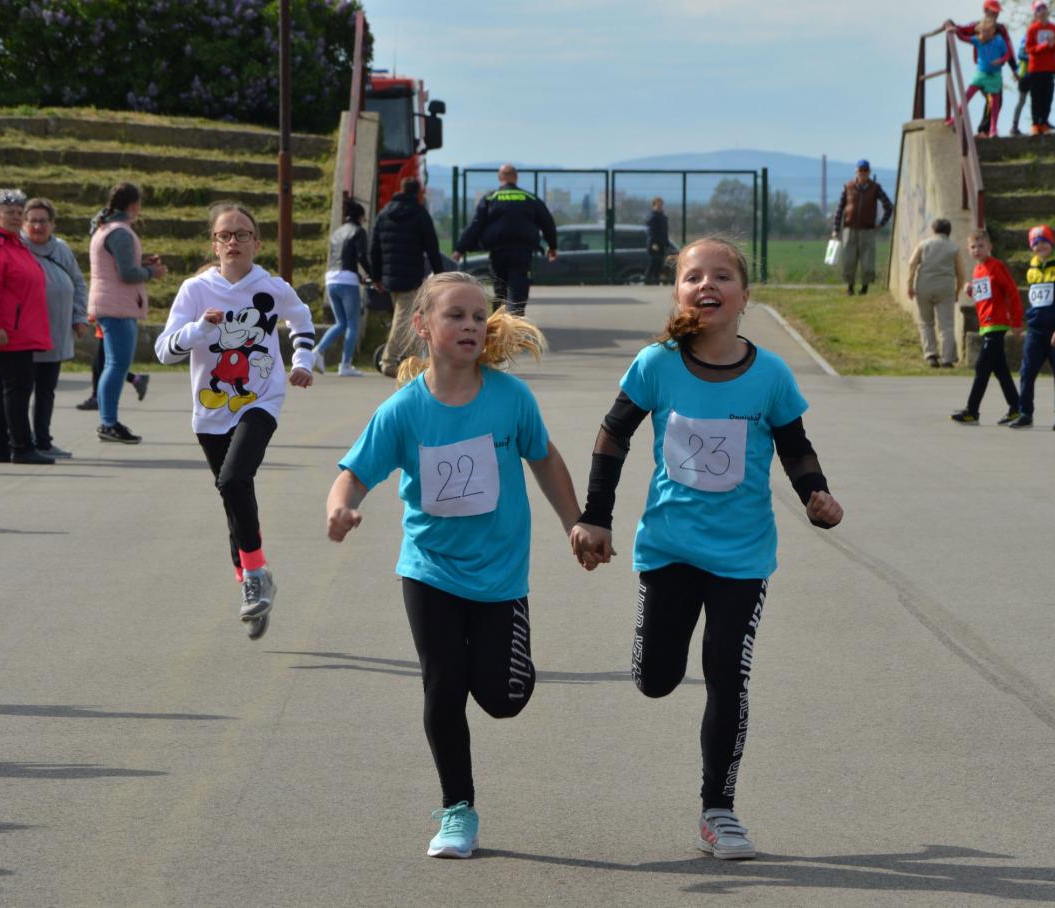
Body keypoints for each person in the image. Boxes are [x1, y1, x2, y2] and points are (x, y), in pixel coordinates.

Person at [570, 238, 844, 860]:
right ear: (677, 293)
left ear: (745, 296)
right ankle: (654, 658)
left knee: (727, 675)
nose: (707, 285)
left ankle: (718, 811)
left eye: (722, 276)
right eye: (693, 276)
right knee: (656, 681)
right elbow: (612, 436)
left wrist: (816, 495)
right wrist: (597, 517)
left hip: (743, 556)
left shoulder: (770, 375)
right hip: (669, 549)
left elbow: (796, 447)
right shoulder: (656, 365)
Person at [326, 271, 582, 859]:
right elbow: (354, 474)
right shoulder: (404, 410)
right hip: (430, 568)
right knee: (443, 685)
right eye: (456, 315)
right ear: (421, 325)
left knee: (502, 697)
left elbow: (545, 459)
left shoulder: (510, 399)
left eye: (478, 317)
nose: (470, 325)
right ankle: (457, 809)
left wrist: (576, 522)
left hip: (499, 574)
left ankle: (495, 665)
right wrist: (340, 507)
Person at [155, 202, 316, 640]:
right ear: (214, 244)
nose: (233, 242)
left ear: (256, 243)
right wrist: (199, 330)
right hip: (210, 410)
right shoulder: (195, 291)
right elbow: (164, 350)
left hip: (260, 400)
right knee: (233, 495)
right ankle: (250, 583)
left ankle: (256, 573)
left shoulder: (272, 287)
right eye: (224, 235)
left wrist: (302, 359)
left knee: (233, 480)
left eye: (242, 234)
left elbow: (301, 320)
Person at [0, 188, 54, 464]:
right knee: (18, 388)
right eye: (10, 212)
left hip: (20, 328)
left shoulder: (13, 243)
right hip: (7, 330)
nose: (16, 217)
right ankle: (22, 447)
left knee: (4, 389)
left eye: (19, 212)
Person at [88, 181, 168, 444]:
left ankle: (108, 421)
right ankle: (108, 422)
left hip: (112, 303)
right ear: (134, 205)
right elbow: (127, 273)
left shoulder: (108, 228)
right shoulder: (120, 232)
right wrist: (151, 272)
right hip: (117, 306)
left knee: (113, 365)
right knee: (117, 365)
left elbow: (119, 266)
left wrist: (142, 264)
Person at [22, 198, 89, 459]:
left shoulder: (61, 249)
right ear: (24, 224)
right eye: (32, 221)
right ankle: (19, 441)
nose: (37, 226)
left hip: (56, 333)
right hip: (24, 335)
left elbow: (78, 283)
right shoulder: (17, 248)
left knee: (46, 391)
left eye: (43, 221)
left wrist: (79, 316)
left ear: (52, 224)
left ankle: (43, 441)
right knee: (20, 392)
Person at [451, 164, 558, 318]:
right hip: (522, 251)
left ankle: (499, 321)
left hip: (498, 251)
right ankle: (516, 319)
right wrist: (552, 247)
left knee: (500, 288)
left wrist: (460, 249)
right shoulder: (530, 198)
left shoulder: (490, 198)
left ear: (500, 178)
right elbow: (548, 223)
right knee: (518, 287)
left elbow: (475, 225)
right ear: (516, 177)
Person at [369, 178, 445, 378]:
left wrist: (376, 276)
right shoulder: (419, 214)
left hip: (389, 278)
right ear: (418, 193)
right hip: (411, 277)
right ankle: (389, 361)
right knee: (403, 321)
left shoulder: (384, 213)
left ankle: (411, 361)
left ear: (400, 190)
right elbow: (432, 247)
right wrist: (440, 275)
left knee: (409, 319)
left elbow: (374, 248)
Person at [951, 228, 1022, 425]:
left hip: (996, 324)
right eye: (973, 247)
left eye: (981, 246)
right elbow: (986, 296)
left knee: (982, 367)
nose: (977, 250)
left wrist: (1016, 321)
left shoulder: (996, 266)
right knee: (1000, 369)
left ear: (989, 247)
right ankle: (1017, 407)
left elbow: (1012, 292)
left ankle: (972, 411)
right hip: (986, 324)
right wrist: (971, 291)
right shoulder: (978, 270)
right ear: (968, 250)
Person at [1010, 224, 1055, 431]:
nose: (1040, 246)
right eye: (1036, 243)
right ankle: (1025, 413)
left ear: (1051, 243)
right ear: (1031, 247)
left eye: (1044, 241)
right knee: (1026, 372)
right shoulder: (1031, 270)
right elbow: (1034, 300)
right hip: (1035, 331)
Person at [316, 199, 374, 376]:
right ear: (360, 217)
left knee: (340, 323)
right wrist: (373, 275)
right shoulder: (358, 231)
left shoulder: (337, 232)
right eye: (364, 217)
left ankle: (317, 352)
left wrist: (358, 276)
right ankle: (346, 364)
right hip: (348, 281)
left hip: (331, 279)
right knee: (353, 324)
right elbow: (361, 256)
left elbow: (341, 258)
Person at [947, 1, 1019, 136]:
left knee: (996, 100)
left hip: (995, 73)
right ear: (985, 11)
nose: (996, 14)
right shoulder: (977, 26)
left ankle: (988, 130)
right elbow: (963, 31)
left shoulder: (1000, 30)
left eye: (997, 12)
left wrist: (1015, 69)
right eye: (993, 11)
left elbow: (1008, 50)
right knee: (986, 98)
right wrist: (952, 25)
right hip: (982, 72)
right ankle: (983, 130)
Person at [907, 218, 964, 367]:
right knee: (947, 325)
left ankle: (931, 355)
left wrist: (910, 285)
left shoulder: (923, 244)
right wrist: (957, 290)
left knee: (926, 322)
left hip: (924, 286)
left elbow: (912, 263)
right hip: (945, 288)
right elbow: (961, 273)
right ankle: (947, 359)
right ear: (949, 232)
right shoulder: (954, 248)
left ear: (933, 230)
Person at [831, 161, 893, 296]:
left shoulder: (876, 188)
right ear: (856, 171)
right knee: (849, 260)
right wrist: (836, 228)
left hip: (868, 230)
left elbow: (889, 206)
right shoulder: (848, 187)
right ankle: (850, 287)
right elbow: (839, 208)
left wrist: (881, 224)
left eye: (866, 170)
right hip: (849, 229)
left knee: (868, 260)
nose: (863, 173)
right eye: (861, 170)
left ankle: (865, 288)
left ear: (869, 172)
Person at [75, 326, 149, 411]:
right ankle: (96, 398)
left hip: (110, 327)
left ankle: (98, 399)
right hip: (105, 329)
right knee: (98, 365)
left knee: (104, 366)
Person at [1025, 1, 1055, 137]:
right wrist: (1045, 46)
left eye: (1044, 9)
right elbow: (1029, 49)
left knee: (1048, 97)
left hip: (1050, 68)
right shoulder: (1032, 29)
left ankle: (1044, 123)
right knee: (1036, 97)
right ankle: (1035, 124)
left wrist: (1053, 46)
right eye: (1039, 10)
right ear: (1035, 13)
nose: (1042, 12)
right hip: (1036, 68)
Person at [644, 197, 670, 285]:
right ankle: (647, 280)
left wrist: (666, 242)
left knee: (659, 263)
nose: (660, 206)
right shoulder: (652, 216)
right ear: (654, 205)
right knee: (653, 262)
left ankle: (656, 281)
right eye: (658, 204)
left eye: (661, 204)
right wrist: (653, 243)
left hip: (662, 243)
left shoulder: (662, 216)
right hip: (654, 244)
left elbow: (664, 231)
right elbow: (651, 231)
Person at [1010, 36, 1033, 136]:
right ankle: (1014, 126)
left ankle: (1037, 125)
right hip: (1024, 75)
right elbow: (1021, 55)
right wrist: (1034, 56)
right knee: (1021, 101)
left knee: (1036, 101)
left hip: (1036, 75)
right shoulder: (1026, 38)